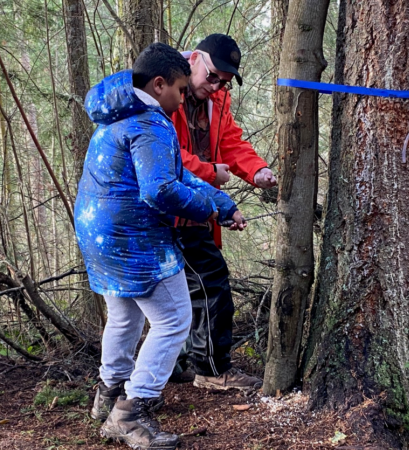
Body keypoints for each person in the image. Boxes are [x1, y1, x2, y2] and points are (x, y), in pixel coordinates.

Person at [74, 43, 245, 450]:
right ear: (159, 84)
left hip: (101, 236)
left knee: (124, 317)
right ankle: (131, 413)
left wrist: (223, 204)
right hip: (135, 239)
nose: (184, 99)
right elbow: (161, 189)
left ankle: (109, 393)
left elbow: (174, 171)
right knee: (173, 320)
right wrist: (211, 210)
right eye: (181, 90)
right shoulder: (149, 123)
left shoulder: (120, 113)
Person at [170, 34, 278, 391]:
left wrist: (256, 170)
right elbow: (165, 158)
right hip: (171, 212)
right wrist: (209, 173)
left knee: (179, 292)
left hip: (199, 210)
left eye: (224, 81)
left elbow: (232, 142)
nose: (216, 85)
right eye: (213, 75)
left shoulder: (218, 99)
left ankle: (180, 364)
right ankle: (212, 370)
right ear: (195, 59)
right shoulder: (165, 89)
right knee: (210, 284)